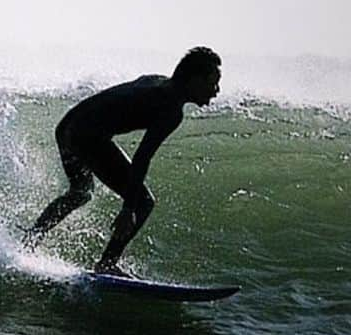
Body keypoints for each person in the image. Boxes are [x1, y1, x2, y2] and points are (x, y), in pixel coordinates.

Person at [26, 47, 221, 275]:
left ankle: (30, 240)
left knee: (80, 192)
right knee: (143, 202)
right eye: (212, 82)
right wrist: (128, 208)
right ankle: (107, 265)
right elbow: (142, 157)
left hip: (67, 127)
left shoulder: (156, 82)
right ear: (195, 79)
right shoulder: (171, 109)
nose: (216, 91)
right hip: (86, 136)